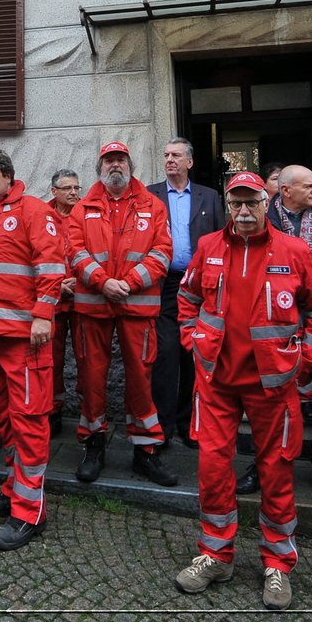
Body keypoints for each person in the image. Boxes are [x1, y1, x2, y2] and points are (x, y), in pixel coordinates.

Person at [173, 172, 312, 611]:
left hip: (274, 386)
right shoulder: (208, 247)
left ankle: (278, 564)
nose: (244, 212)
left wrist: (304, 364)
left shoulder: (295, 251)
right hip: (216, 382)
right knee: (211, 467)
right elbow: (186, 298)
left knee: (277, 472)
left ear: (267, 203)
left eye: (252, 204)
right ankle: (215, 555)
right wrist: (193, 340)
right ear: (227, 206)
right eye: (236, 204)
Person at [0, 148, 66, 551]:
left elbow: (53, 265)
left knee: (29, 420)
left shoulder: (33, 211)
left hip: (24, 338)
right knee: (1, 416)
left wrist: (42, 315)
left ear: (8, 176)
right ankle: (14, 485)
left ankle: (29, 510)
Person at [243, 164, 312, 501]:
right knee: (270, 397)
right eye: (309, 186)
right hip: (275, 322)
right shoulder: (263, 221)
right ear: (286, 190)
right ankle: (265, 464)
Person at [67, 141, 177, 486]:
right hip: (93, 306)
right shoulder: (82, 208)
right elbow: (73, 250)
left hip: (137, 306)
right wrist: (103, 283)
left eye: (120, 160)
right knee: (91, 379)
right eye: (109, 160)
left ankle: (146, 453)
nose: (115, 165)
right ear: (100, 166)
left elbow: (163, 253)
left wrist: (127, 283)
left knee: (141, 380)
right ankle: (94, 445)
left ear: (130, 164)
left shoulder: (153, 206)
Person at [146, 138, 225, 449]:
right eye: (165, 155)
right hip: (163, 284)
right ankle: (161, 426)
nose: (169, 160)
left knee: (194, 354)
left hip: (199, 286)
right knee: (165, 355)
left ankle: (187, 423)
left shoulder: (210, 196)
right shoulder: (149, 194)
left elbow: (222, 240)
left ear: (189, 162)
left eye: (176, 155)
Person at [47, 169, 81, 435]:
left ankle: (89, 412)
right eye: (67, 188)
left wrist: (79, 283)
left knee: (87, 359)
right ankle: (53, 411)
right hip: (54, 299)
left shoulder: (87, 215)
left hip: (83, 298)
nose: (73, 193)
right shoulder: (41, 217)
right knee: (53, 361)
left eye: (76, 188)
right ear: (53, 192)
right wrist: (57, 285)